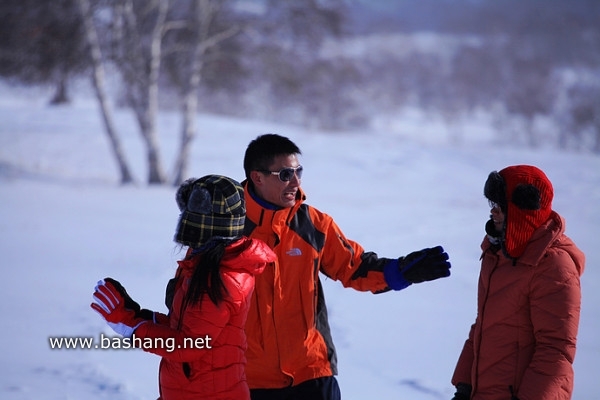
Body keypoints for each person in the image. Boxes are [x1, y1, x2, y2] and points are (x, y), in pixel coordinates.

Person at [241, 133, 452, 400]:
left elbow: (355, 267)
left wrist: (401, 272)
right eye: (285, 174)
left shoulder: (313, 225)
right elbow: (192, 295)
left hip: (312, 375)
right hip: (250, 381)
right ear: (257, 177)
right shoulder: (226, 228)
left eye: (298, 171)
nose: (296, 182)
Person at [90, 174, 277, 400]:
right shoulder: (208, 262)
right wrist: (139, 315)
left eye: (193, 212)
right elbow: (186, 327)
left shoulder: (221, 277)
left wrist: (130, 326)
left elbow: (190, 346)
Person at [450, 165, 585, 400]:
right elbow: (483, 326)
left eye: (500, 206)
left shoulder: (553, 265)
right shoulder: (497, 256)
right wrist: (464, 386)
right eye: (492, 205)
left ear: (523, 209)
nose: (493, 213)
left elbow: (555, 351)